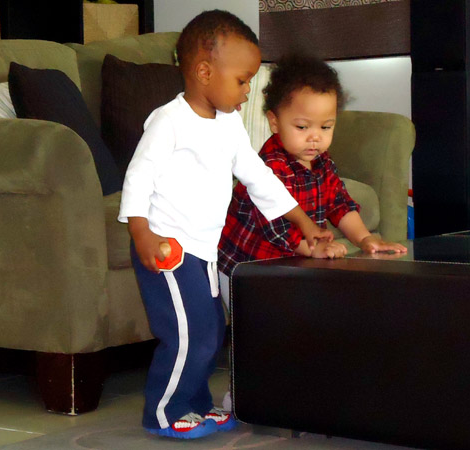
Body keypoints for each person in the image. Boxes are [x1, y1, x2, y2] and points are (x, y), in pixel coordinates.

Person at [118, 11, 333, 440]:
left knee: (212, 331)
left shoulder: (229, 124)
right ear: (204, 72)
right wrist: (141, 232)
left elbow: (257, 176)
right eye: (242, 80)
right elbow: (138, 177)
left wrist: (303, 221)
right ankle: (163, 412)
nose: (247, 90)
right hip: (168, 247)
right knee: (189, 334)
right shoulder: (169, 121)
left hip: (204, 250)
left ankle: (196, 404)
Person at [218, 54, 407, 297]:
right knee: (261, 316)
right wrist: (313, 248)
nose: (315, 137)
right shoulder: (270, 167)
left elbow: (339, 203)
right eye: (302, 127)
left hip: (290, 262)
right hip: (245, 266)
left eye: (325, 127)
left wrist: (364, 239)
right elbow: (275, 225)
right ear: (274, 122)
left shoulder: (322, 161)